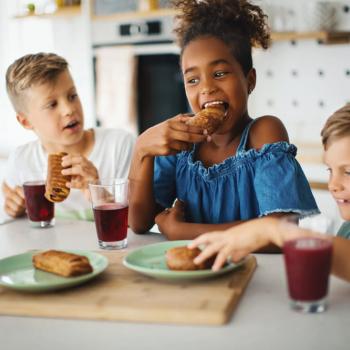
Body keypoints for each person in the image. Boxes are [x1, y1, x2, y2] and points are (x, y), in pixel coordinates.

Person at [128, 0, 318, 241]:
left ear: (249, 80)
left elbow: (282, 230)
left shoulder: (263, 134)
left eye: (219, 74)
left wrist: (184, 232)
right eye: (193, 80)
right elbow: (138, 221)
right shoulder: (181, 141)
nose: (206, 88)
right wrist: (141, 150)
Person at [189, 104, 350, 282]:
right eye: (330, 170)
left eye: (348, 172)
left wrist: (271, 230)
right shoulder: (346, 229)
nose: (333, 184)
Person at [2, 52, 135, 220]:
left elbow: (138, 224)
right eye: (52, 104)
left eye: (72, 96)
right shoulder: (21, 160)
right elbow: (9, 204)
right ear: (26, 121)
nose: (69, 109)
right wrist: (14, 208)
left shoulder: (119, 146)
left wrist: (98, 191)